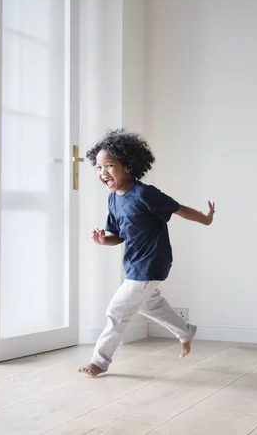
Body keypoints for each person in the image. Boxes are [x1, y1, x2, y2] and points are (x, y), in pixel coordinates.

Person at [78, 129, 215, 377]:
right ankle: (185, 331)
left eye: (109, 165)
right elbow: (118, 236)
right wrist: (102, 240)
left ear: (128, 166)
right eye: (98, 167)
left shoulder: (144, 193)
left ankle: (99, 361)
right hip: (134, 263)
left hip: (152, 262)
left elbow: (179, 209)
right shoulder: (113, 199)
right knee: (150, 304)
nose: (103, 172)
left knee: (117, 311)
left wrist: (205, 219)